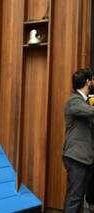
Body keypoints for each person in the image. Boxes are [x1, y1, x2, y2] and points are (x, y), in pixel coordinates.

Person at [62, 68, 94, 213]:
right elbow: (88, 111)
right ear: (88, 82)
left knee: (79, 197)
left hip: (84, 157)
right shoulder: (73, 100)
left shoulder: (84, 102)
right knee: (74, 198)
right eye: (92, 79)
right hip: (76, 157)